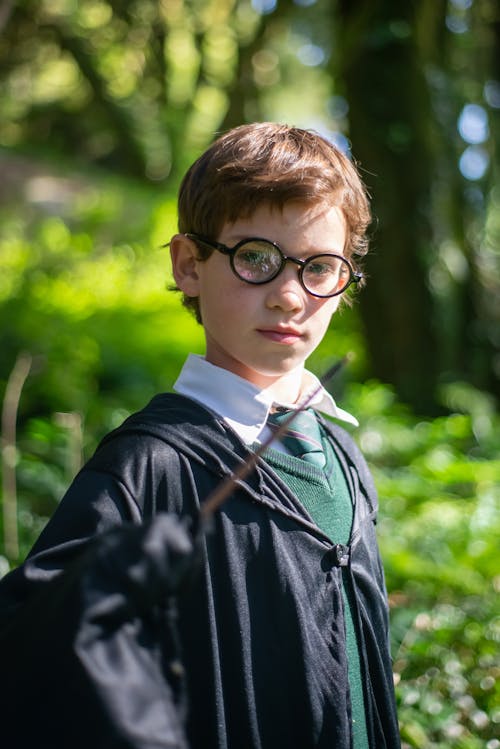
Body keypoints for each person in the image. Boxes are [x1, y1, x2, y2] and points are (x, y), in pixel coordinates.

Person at [0, 123, 400, 749]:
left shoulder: (340, 455)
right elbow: (31, 649)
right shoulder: (146, 467)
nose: (291, 297)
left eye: (320, 267)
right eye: (257, 259)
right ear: (190, 264)